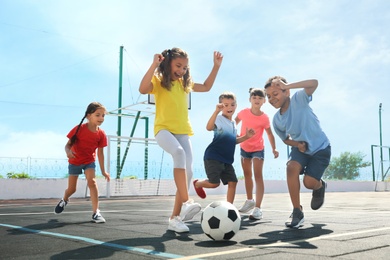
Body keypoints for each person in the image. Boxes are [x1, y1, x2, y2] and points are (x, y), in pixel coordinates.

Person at [139, 47, 223, 233]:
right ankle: (186, 201)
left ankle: (175, 218)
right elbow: (143, 89)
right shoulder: (159, 82)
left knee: (188, 172)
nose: (182, 70)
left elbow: (207, 87)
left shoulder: (185, 85)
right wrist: (154, 64)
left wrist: (215, 66)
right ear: (167, 64)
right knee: (178, 153)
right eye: (178, 65)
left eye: (185, 67)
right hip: (163, 131)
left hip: (183, 132)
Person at [264, 76, 331, 228]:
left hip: (321, 148)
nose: (271, 98)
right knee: (291, 167)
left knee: (309, 183)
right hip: (301, 148)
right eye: (268, 96)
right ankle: (297, 211)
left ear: (286, 92)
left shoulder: (298, 99)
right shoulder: (276, 120)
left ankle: (319, 186)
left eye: (275, 93)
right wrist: (297, 144)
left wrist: (289, 85)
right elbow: (285, 139)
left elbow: (314, 83)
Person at [193, 92, 255, 204]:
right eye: (225, 105)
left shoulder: (233, 124)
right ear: (221, 106)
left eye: (232, 104)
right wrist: (216, 111)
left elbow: (233, 141)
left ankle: (229, 207)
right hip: (213, 157)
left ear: (236, 105)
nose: (229, 107)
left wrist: (246, 137)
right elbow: (209, 127)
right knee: (214, 184)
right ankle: (198, 184)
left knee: (233, 182)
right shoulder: (219, 119)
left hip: (227, 160)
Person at [54, 102, 110, 223]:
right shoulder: (79, 129)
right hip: (74, 161)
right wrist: (68, 152)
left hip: (89, 161)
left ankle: (96, 213)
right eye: (98, 115)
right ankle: (64, 199)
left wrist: (103, 171)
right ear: (89, 116)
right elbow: (67, 145)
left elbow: (100, 154)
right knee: (72, 189)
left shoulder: (101, 134)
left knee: (92, 182)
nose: (101, 118)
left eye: (103, 115)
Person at [235, 88, 279, 220]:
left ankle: (258, 208)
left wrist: (274, 149)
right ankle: (250, 200)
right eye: (254, 97)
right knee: (247, 175)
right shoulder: (243, 113)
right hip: (244, 148)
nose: (257, 100)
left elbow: (270, 134)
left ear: (264, 101)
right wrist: (235, 135)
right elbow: (233, 123)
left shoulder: (264, 118)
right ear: (250, 99)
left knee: (258, 176)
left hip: (258, 149)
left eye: (260, 98)